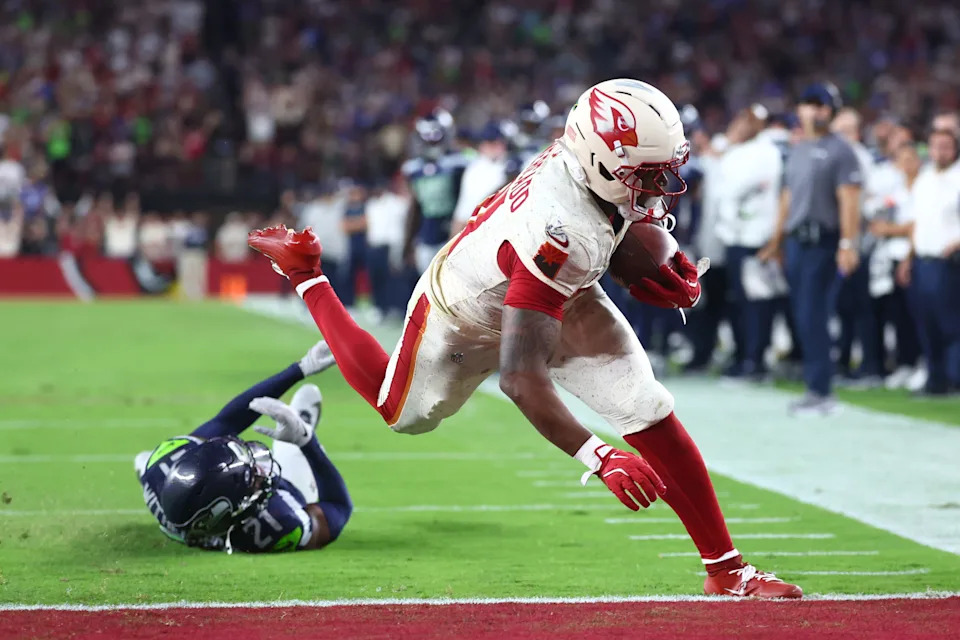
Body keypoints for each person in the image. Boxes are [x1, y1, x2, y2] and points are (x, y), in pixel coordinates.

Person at [249, 79, 801, 599]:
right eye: (646, 174)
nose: (660, 187)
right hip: (466, 306)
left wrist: (648, 254)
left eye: (663, 170)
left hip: (556, 283)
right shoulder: (562, 230)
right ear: (600, 162)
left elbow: (615, 214)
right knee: (400, 409)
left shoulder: (587, 167)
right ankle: (307, 275)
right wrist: (599, 455)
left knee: (648, 408)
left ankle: (727, 570)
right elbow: (519, 378)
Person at [134, 341, 353, 552]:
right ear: (234, 511)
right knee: (303, 410)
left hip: (186, 502)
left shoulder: (162, 468)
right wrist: (306, 441)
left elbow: (226, 422)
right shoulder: (276, 523)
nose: (260, 468)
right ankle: (300, 423)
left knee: (145, 461)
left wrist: (299, 369)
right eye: (253, 478)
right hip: (287, 492)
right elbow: (339, 507)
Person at [758, 82, 863, 415]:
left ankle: (821, 391)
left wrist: (848, 243)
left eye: (822, 105)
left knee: (813, 315)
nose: (815, 111)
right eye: (809, 104)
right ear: (800, 109)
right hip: (797, 243)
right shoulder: (799, 149)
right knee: (803, 316)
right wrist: (776, 241)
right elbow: (787, 199)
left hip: (824, 241)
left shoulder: (840, 150)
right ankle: (816, 387)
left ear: (830, 112)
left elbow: (850, 200)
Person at [714, 105, 783, 380]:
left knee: (757, 303)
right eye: (742, 118)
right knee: (739, 302)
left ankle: (756, 360)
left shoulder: (768, 152)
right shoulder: (736, 151)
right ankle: (743, 355)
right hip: (734, 237)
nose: (743, 125)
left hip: (757, 238)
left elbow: (734, 188)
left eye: (750, 121)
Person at [897, 128, 960, 395]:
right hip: (922, 259)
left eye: (945, 147)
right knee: (926, 323)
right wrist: (908, 258)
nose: (940, 152)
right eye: (935, 146)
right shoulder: (924, 180)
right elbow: (917, 222)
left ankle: (954, 378)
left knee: (951, 324)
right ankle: (934, 379)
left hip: (949, 260)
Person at [401, 108, 470, 274]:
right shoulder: (413, 168)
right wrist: (407, 243)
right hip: (426, 233)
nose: (432, 142)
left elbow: (468, 200)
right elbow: (415, 206)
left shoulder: (461, 163)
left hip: (454, 231)